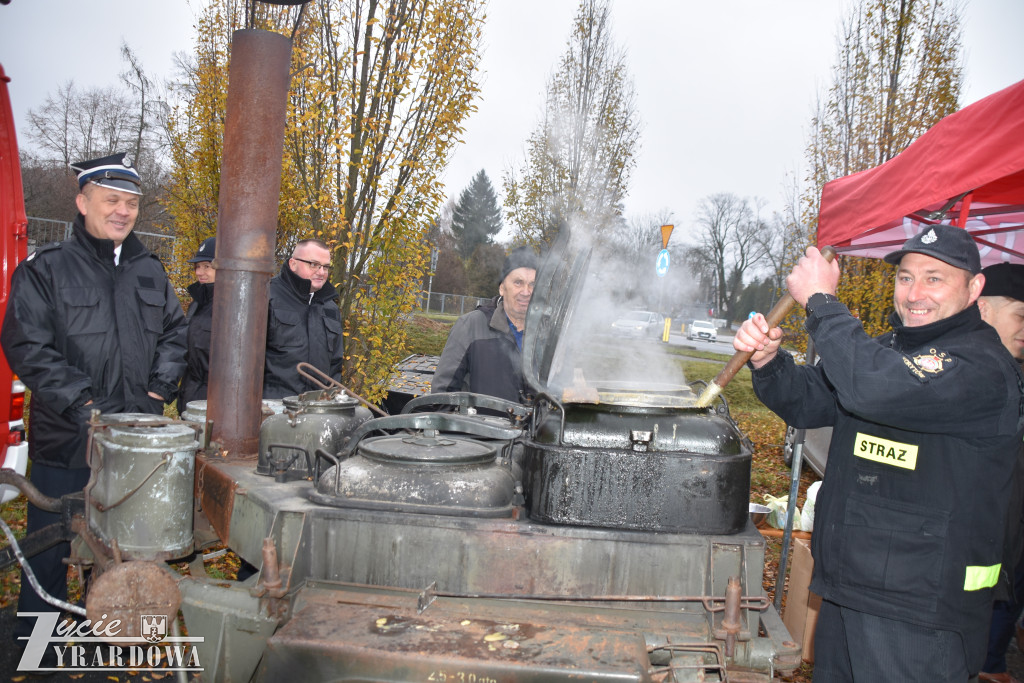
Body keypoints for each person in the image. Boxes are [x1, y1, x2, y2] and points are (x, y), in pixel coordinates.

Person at [734, 226, 1024, 681]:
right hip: (854, 586)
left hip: (920, 609)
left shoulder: (979, 366)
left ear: (974, 288)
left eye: (934, 278)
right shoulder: (890, 352)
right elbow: (810, 399)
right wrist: (769, 361)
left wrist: (823, 303)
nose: (914, 293)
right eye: (905, 278)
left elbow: (872, 388)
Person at [0, 152, 186, 637]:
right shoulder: (48, 269)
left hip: (135, 439)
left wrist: (157, 388)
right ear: (83, 202)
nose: (122, 210)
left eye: (131, 202)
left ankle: (114, 634)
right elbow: (27, 345)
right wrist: (83, 403)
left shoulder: (149, 270)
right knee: (49, 546)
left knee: (126, 544)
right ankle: (36, 641)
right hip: (68, 438)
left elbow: (175, 334)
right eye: (111, 200)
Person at [977, 263, 1024, 683]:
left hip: (1011, 549)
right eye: (1021, 314)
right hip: (974, 552)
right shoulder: (964, 375)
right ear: (984, 310)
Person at [432, 245, 538, 403]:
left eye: (532, 284)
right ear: (502, 288)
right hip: (482, 427)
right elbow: (441, 394)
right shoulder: (470, 326)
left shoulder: (547, 334)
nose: (526, 291)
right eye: (518, 282)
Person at [263, 238, 344, 398]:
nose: (321, 272)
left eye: (325, 267)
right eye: (313, 264)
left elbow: (335, 365)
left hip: (316, 411)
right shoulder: (267, 297)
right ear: (293, 264)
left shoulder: (330, 308)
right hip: (273, 409)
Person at [177, 236, 216, 415]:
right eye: (197, 266)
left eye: (207, 266)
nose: (200, 272)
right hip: (190, 395)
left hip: (213, 402)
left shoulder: (231, 307)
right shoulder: (197, 302)